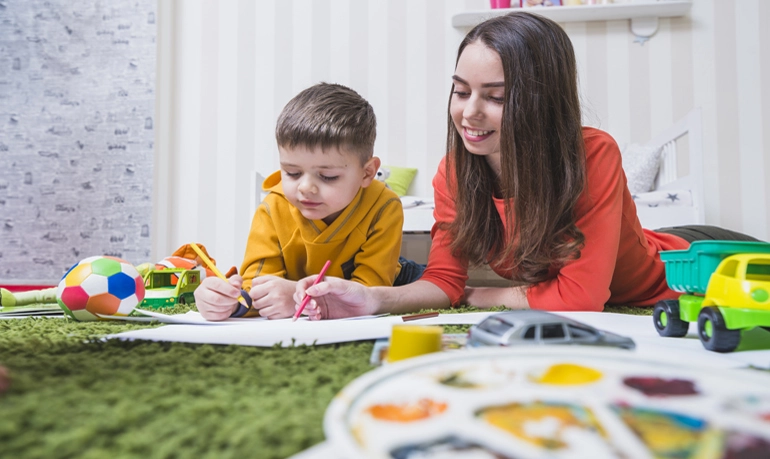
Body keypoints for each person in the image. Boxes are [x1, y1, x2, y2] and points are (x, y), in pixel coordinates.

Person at [292, 12, 761, 320]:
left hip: (689, 258)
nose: (469, 113)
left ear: (540, 101)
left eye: (495, 97)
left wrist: (474, 295)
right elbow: (443, 280)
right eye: (460, 91)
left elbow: (580, 300)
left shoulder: (592, 154)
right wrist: (371, 298)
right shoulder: (454, 172)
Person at [195, 83, 424, 320]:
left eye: (327, 177)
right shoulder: (272, 209)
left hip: (393, 278)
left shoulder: (384, 206)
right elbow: (257, 287)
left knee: (443, 288)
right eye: (292, 173)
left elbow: (369, 292)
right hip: (308, 287)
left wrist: (297, 295)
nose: (305, 188)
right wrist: (230, 303)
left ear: (366, 173)